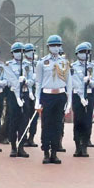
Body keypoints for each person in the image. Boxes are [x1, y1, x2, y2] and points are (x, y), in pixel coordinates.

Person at [33, 35, 72, 164]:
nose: (55, 48)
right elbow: (38, 83)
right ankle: (46, 152)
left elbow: (69, 83)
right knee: (46, 125)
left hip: (60, 96)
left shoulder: (64, 62)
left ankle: (54, 152)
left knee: (57, 125)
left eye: (58, 45)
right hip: (47, 96)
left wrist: (69, 102)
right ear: (48, 47)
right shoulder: (42, 63)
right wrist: (37, 101)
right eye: (53, 45)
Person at [69, 42, 94, 158]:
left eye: (86, 52)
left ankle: (84, 146)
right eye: (81, 52)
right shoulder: (73, 66)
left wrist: (90, 82)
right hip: (78, 96)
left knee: (87, 121)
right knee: (78, 120)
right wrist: (81, 97)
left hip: (90, 95)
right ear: (77, 54)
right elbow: (75, 82)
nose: (84, 54)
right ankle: (77, 146)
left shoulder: (93, 66)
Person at [3, 42, 31, 158]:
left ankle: (21, 147)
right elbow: (6, 80)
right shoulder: (8, 65)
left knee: (24, 121)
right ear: (12, 53)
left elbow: (33, 79)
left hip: (24, 93)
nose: (18, 53)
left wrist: (26, 81)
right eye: (16, 51)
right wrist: (15, 82)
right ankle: (13, 147)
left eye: (20, 51)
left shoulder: (28, 65)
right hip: (13, 95)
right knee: (13, 121)